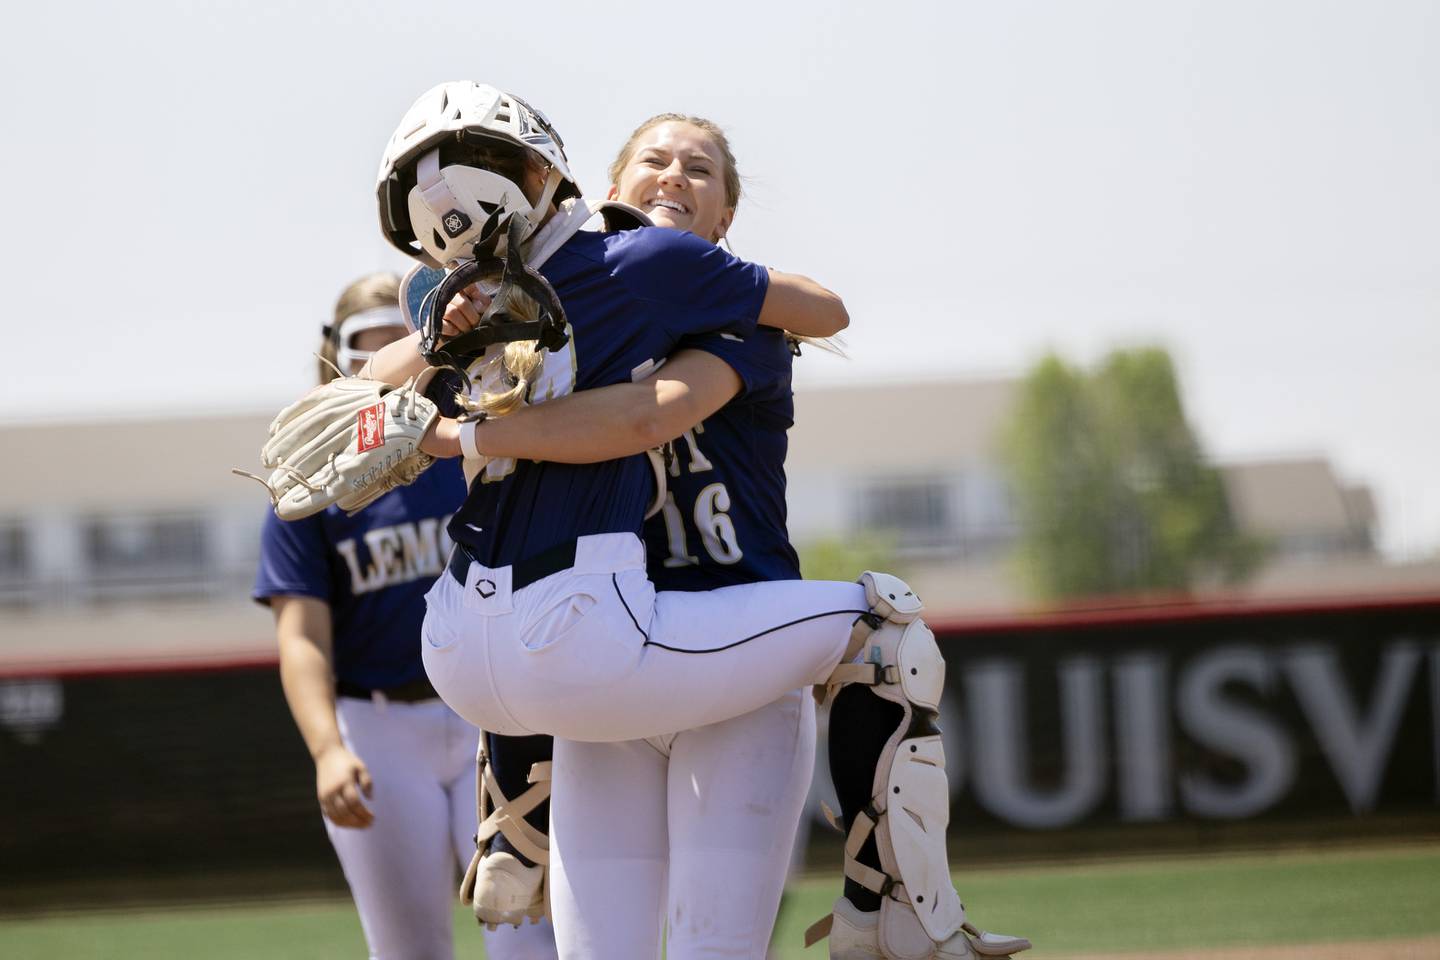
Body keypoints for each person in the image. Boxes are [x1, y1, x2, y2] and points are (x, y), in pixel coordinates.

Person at [367, 81, 1029, 960]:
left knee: (712, 948)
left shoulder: (730, 318)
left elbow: (648, 414)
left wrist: (465, 424)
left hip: (731, 655)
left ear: (724, 219)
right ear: (602, 186)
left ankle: (889, 901)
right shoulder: (547, 293)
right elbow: (376, 373)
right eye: (655, 158)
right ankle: (518, 801)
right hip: (612, 653)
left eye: (701, 168)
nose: (675, 173)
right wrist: (449, 307)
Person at [252, 273, 557, 960]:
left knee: (532, 941)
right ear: (338, 353)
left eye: (406, 331)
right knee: (407, 949)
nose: (396, 351)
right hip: (382, 726)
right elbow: (301, 634)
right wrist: (328, 749)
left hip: (499, 711)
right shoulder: (316, 478)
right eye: (372, 341)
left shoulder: (483, 427)